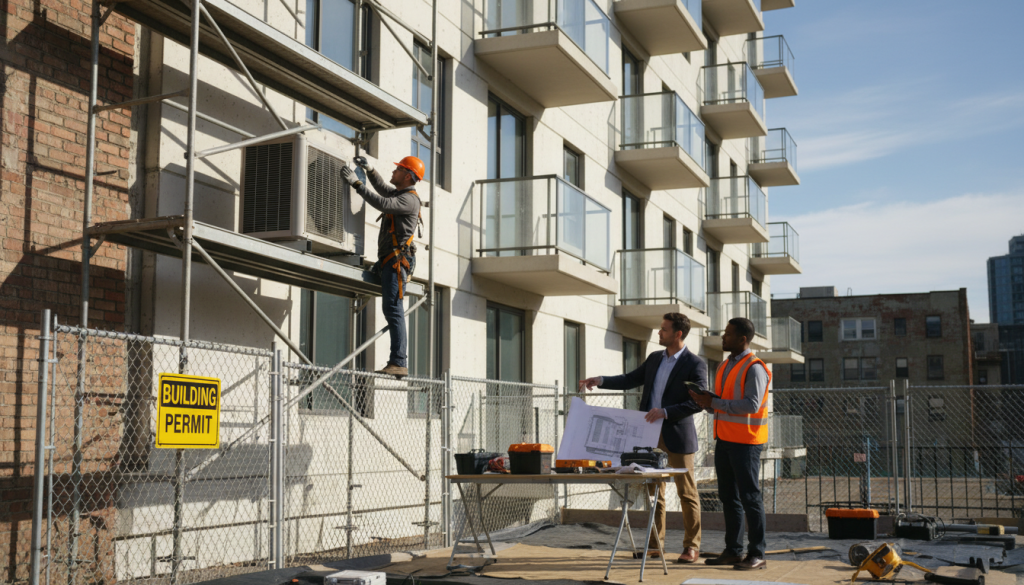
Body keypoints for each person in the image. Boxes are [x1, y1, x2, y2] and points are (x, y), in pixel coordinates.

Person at [579, 313, 707, 564]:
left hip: (678, 436)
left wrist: (666, 412)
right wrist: (600, 380)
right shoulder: (654, 358)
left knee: (687, 493)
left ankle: (692, 547)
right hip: (648, 436)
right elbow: (630, 379)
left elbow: (698, 401)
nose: (659, 333)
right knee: (654, 493)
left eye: (664, 330)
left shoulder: (695, 363)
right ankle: (655, 546)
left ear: (678, 334)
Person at [688, 317, 771, 571]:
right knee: (728, 496)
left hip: (746, 442)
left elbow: (751, 405)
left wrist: (715, 403)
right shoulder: (725, 366)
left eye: (728, 334)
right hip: (724, 440)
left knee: (749, 497)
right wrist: (708, 402)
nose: (723, 337)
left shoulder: (754, 367)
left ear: (742, 339)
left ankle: (756, 553)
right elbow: (725, 402)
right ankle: (734, 550)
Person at [341, 155, 424, 378]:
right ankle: (398, 360)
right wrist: (370, 171)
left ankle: (398, 361)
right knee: (389, 304)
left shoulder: (409, 200)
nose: (394, 171)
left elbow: (383, 202)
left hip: (396, 262)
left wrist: (356, 184)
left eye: (398, 169)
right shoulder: (402, 194)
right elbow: (385, 190)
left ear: (407, 176)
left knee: (393, 310)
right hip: (389, 261)